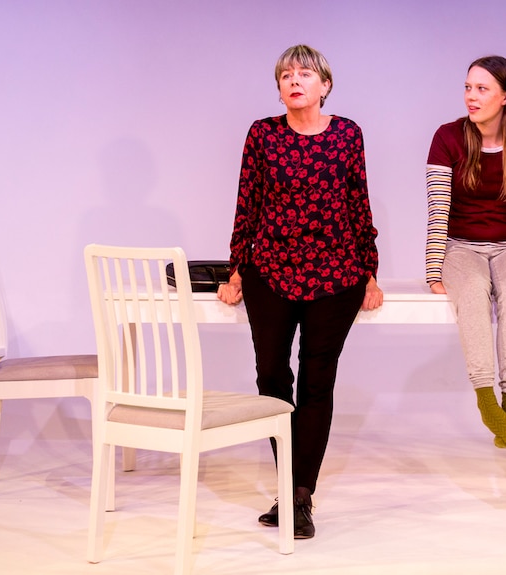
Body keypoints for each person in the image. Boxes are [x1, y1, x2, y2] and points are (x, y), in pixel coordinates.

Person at [218, 44, 383, 539]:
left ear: (324, 85)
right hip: (270, 270)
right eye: (286, 75)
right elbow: (247, 201)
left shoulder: (347, 134)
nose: (294, 81)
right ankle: (291, 485)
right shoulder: (262, 134)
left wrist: (370, 270)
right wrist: (235, 271)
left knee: (316, 382)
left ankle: (298, 495)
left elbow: (359, 202)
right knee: (271, 376)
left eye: (305, 74)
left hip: (336, 275)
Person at [425, 55, 506, 449]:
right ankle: (485, 400)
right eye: (467, 87)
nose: (471, 97)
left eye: (481, 89)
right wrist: (433, 270)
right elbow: (437, 209)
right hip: (461, 248)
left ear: (505, 97)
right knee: (474, 294)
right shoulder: (447, 137)